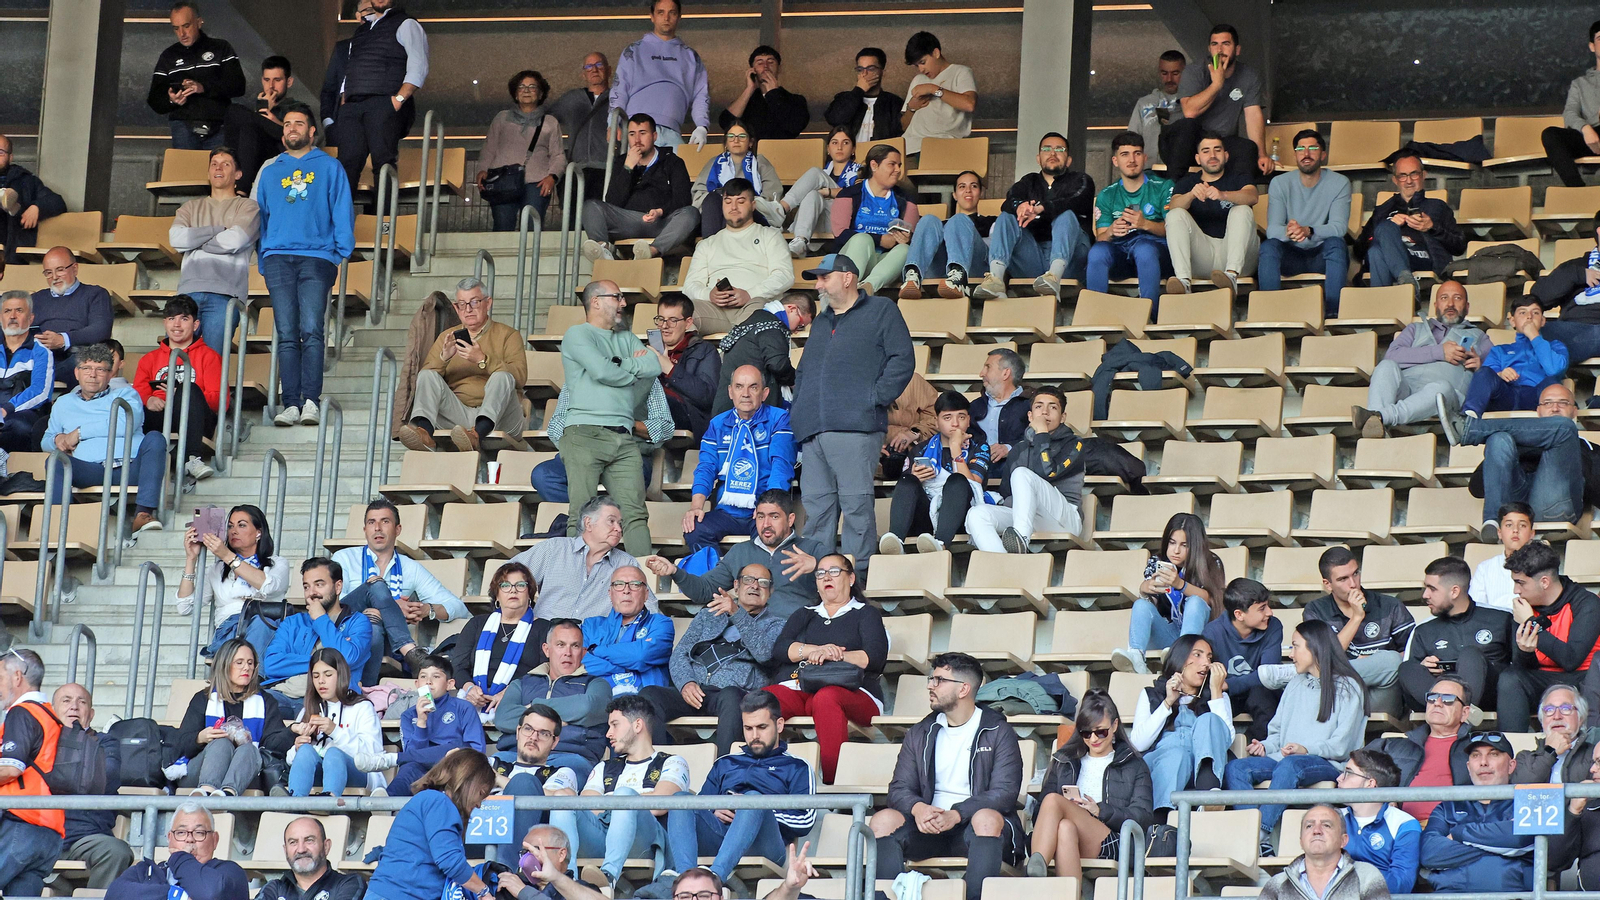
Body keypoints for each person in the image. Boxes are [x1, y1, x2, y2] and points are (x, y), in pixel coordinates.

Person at [791, 254, 914, 568]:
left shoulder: (881, 310)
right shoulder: (820, 320)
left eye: (824, 277)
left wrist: (872, 398)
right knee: (817, 510)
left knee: (856, 507)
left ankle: (858, 579)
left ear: (848, 277)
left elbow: (902, 360)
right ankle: (820, 580)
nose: (818, 285)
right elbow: (804, 371)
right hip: (813, 429)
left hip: (856, 427)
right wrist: (800, 413)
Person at [871, 653, 1023, 899]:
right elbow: (898, 789)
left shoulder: (998, 731)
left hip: (973, 828)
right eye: (931, 679)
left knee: (986, 819)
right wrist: (918, 808)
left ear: (963, 689)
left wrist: (957, 813)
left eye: (939, 680)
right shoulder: (920, 732)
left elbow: (1004, 793)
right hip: (928, 827)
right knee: (882, 820)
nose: (931, 685)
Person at [642, 691, 815, 896]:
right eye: (748, 728)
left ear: (779, 725)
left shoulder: (797, 766)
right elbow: (700, 808)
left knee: (752, 801)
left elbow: (805, 821)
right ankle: (686, 883)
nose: (754, 736)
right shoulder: (726, 762)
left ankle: (715, 880)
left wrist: (757, 808)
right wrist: (715, 809)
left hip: (767, 844)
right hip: (721, 837)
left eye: (762, 727)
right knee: (682, 800)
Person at [1224, 623, 1367, 857]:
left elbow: (1343, 746)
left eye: (1295, 646)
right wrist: (1265, 746)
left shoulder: (1349, 687)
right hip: (1286, 759)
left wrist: (1306, 748)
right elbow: (1277, 733)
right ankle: (1255, 838)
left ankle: (1259, 834)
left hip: (1327, 763)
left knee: (1291, 764)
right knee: (1236, 767)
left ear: (1316, 649)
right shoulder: (1295, 683)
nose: (1291, 654)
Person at [254, 102, 354, 428]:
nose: (292, 128)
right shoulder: (270, 171)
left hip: (317, 257)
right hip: (278, 257)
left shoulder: (330, 167)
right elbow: (261, 219)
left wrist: (340, 251)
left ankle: (311, 400)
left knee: (311, 330)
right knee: (285, 333)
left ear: (312, 131)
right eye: (287, 124)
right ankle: (291, 404)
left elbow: (342, 209)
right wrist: (263, 255)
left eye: (299, 123)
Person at [764, 553, 889, 783]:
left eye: (834, 571)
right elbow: (781, 649)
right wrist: (814, 650)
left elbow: (874, 658)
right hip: (805, 688)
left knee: (826, 698)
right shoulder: (805, 614)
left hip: (856, 692)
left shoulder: (866, 613)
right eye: (820, 573)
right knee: (763, 700)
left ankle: (835, 785)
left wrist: (836, 654)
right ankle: (758, 777)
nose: (825, 577)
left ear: (851, 578)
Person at [556, 281, 660, 555]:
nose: (623, 303)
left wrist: (617, 363)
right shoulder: (577, 334)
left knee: (635, 515)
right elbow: (604, 372)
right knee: (582, 517)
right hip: (584, 433)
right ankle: (574, 584)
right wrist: (629, 368)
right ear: (596, 301)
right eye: (617, 297)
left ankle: (642, 583)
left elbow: (653, 365)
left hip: (624, 439)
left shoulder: (625, 337)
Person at [639, 562, 786, 754]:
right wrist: (686, 683)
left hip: (736, 693)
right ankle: (660, 764)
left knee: (731, 696)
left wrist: (737, 613)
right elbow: (680, 654)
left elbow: (765, 654)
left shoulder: (776, 625)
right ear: (736, 585)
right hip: (695, 692)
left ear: (771, 591)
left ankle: (724, 769)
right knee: (649, 695)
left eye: (763, 582)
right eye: (748, 580)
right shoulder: (708, 616)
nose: (755, 586)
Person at [549, 696, 685, 887]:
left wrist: (616, 801)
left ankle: (608, 877)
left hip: (643, 842)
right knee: (562, 798)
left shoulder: (672, 762)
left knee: (625, 795)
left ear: (637, 725)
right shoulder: (604, 766)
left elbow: (659, 804)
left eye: (614, 725)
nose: (608, 734)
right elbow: (585, 806)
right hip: (601, 837)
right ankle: (566, 878)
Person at [331, 498, 470, 677]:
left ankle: (363, 693)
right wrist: (391, 607)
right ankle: (411, 652)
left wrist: (426, 609)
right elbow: (335, 606)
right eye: (371, 522)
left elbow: (459, 607)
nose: (378, 528)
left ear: (398, 529)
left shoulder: (410, 568)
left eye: (385, 522)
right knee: (376, 585)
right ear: (365, 530)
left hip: (385, 641)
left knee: (373, 623)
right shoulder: (344, 558)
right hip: (343, 632)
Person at [645, 488, 826, 624]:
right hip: (748, 633)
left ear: (791, 519)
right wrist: (675, 571)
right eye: (761, 517)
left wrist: (819, 569)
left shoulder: (812, 549)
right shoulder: (741, 551)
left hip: (797, 632)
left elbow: (846, 590)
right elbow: (703, 591)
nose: (766, 524)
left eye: (774, 517)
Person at [1026, 690, 1154, 880]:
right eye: (1086, 733)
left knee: (1053, 800)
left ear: (1115, 725)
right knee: (1065, 828)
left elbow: (1142, 816)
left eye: (1100, 731)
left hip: (1115, 840)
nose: (1093, 739)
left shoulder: (1134, 764)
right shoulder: (1064, 762)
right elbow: (1041, 816)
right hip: (1075, 837)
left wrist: (1100, 811)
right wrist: (1071, 809)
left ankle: (1035, 876)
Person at [43, 343, 167, 534]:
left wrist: (79, 433)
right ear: (77, 372)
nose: (93, 375)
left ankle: (143, 515)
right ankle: (58, 527)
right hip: (90, 469)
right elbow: (45, 440)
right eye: (87, 368)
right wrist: (57, 439)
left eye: (100, 369)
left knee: (156, 438)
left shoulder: (127, 394)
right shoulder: (63, 402)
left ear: (110, 374)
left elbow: (125, 424)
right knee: (54, 461)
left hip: (131, 467)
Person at [396, 277, 528, 452]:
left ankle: (476, 435)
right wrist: (444, 359)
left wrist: (483, 360)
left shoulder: (508, 335)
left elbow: (519, 377)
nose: (468, 309)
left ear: (488, 303)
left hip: (502, 418)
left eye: (474, 302)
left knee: (502, 376)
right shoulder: (447, 337)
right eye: (462, 304)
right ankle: (424, 433)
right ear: (456, 308)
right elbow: (426, 382)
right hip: (459, 416)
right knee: (427, 375)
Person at [1351, 280, 1487, 442]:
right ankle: (1377, 425)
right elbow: (1392, 356)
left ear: (1467, 306)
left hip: (1446, 398)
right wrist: (1439, 352)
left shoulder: (1479, 337)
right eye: (1444, 298)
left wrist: (1481, 367)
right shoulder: (1415, 328)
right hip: (1406, 391)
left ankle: (1378, 417)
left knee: (1440, 388)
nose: (1450, 303)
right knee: (1385, 366)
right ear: (1435, 305)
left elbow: (1496, 375)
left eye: (1457, 298)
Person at [682, 366, 794, 550]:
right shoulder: (718, 424)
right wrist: (696, 506)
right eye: (739, 386)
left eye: (753, 387)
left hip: (763, 508)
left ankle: (756, 578)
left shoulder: (779, 418)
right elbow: (706, 467)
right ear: (730, 391)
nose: (746, 394)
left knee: (772, 531)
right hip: (727, 512)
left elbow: (781, 466)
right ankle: (713, 578)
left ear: (764, 393)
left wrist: (766, 509)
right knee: (694, 529)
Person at [975, 134, 1097, 301]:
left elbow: (1076, 201)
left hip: (1071, 260)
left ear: (1068, 160)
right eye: (1046, 149)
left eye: (1059, 149)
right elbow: (1009, 201)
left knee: (1066, 215)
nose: (1052, 153)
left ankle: (1054, 277)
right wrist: (1021, 206)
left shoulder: (1080, 179)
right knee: (1006, 217)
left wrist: (1041, 208)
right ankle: (995, 279)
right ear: (1038, 158)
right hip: (1033, 255)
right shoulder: (1029, 181)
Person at [362, 748, 497, 900]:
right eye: (481, 794)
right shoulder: (440, 803)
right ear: (467, 782)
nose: (479, 804)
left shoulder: (431, 800)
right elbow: (450, 861)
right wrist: (484, 892)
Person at [965, 387, 1086, 554]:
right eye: (1038, 407)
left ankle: (1020, 539)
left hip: (1064, 519)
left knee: (1021, 474)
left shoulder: (1074, 443)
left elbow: (1047, 472)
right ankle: (1006, 565)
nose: (1045, 412)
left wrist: (1041, 434)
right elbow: (1007, 495)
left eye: (1053, 407)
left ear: (1063, 417)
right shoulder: (1019, 449)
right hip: (1028, 518)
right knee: (977, 514)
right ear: (1030, 416)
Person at [1465, 382, 1600, 528]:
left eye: (1563, 403)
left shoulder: (1588, 447)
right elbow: (1477, 487)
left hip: (1554, 509)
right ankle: (1492, 521)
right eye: (1548, 403)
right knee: (1499, 438)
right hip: (1513, 512)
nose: (1555, 408)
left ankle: (1472, 430)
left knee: (1565, 429)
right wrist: (1520, 451)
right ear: (1538, 410)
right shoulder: (1514, 443)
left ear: (1574, 411)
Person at [1497, 541, 1600, 732]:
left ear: (1544, 582)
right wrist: (1525, 652)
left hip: (1583, 680)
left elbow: (1571, 659)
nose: (1515, 590)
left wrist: (1531, 622)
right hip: (1545, 678)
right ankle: (1511, 749)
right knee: (1510, 678)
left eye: (1520, 583)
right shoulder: (1523, 607)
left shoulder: (1587, 603)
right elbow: (1522, 668)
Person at [493, 618, 614, 780]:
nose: (568, 652)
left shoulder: (596, 684)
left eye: (575, 646)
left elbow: (587, 708)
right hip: (514, 756)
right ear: (547, 649)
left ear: (583, 652)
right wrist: (563, 718)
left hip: (570, 757)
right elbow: (503, 718)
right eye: (560, 645)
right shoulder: (522, 683)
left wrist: (535, 707)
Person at [174, 637, 295, 796]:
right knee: (222, 743)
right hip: (199, 773)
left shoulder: (265, 701)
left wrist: (292, 730)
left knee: (249, 750)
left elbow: (273, 744)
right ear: (224, 665)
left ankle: (227, 796)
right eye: (239, 662)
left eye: (250, 663)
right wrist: (200, 737)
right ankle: (207, 793)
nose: (246, 668)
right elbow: (180, 745)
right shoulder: (203, 698)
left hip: (246, 773)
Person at [1128, 634, 1233, 813]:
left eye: (1209, 657)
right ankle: (1160, 824)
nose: (1206, 663)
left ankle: (1209, 796)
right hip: (1163, 763)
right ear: (1180, 658)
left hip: (1199, 767)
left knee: (1208, 720)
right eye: (1197, 655)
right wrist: (1168, 702)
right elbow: (1138, 743)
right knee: (1177, 755)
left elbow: (1226, 739)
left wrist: (1216, 691)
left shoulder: (1218, 696)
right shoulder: (1152, 694)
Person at [331, 0, 429, 190]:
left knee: (383, 164)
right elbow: (352, 67)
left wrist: (398, 100)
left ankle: (383, 219)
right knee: (347, 164)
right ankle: (342, 220)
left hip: (384, 103)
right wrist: (345, 97)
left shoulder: (406, 23)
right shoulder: (362, 30)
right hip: (353, 104)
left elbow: (419, 66)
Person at [170, 146, 260, 353]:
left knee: (212, 363)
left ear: (237, 174)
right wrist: (218, 230)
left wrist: (196, 238)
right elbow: (177, 239)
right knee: (178, 365)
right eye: (214, 164)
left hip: (226, 295)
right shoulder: (189, 207)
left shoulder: (248, 207)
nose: (218, 168)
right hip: (187, 293)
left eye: (225, 164)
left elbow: (235, 240)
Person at [1113, 512, 1225, 674]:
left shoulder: (1211, 562)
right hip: (1168, 634)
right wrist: (1145, 590)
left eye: (1184, 545)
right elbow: (1154, 607)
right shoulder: (1157, 562)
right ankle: (1136, 657)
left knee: (1195, 602)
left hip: (1200, 640)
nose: (1176, 551)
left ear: (1195, 546)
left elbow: (1212, 599)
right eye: (1172, 543)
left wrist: (1180, 584)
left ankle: (1182, 655)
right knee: (1141, 604)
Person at [513, 495, 658, 621]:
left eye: (620, 524)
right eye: (611, 521)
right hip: (544, 637)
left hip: (593, 645)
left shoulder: (626, 563)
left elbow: (650, 607)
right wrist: (526, 616)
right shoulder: (554, 548)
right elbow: (506, 577)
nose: (619, 529)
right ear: (588, 523)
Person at [1419, 731, 1532, 892]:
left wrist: (1460, 834)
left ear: (1511, 766)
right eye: (1476, 756)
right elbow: (1429, 853)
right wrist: (1498, 845)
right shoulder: (1448, 806)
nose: (1483, 762)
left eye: (1493, 754)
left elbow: (1520, 839)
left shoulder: (1527, 803)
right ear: (1468, 766)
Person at [879, 391, 989, 555]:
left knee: (957, 480)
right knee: (907, 480)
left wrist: (955, 448)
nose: (955, 423)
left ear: (968, 421)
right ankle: (895, 542)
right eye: (947, 418)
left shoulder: (979, 447)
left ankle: (941, 543)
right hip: (925, 517)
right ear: (936, 423)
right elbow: (909, 488)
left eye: (961, 417)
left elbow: (974, 484)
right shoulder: (920, 449)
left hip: (962, 517)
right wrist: (916, 477)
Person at [1159, 24, 1271, 181]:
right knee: (1188, 126)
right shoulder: (1194, 71)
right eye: (1215, 44)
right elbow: (1190, 111)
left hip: (1218, 144)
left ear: (1237, 50)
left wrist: (1262, 154)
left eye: (1226, 44)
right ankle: (1173, 194)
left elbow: (1253, 115)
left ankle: (1236, 199)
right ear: (1209, 49)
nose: (1219, 50)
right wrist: (1217, 84)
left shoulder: (1249, 76)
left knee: (1247, 148)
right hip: (1181, 144)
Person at [1400, 557, 1512, 713]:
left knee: (1470, 655)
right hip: (1437, 700)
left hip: (1487, 699)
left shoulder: (1501, 619)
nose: (1425, 595)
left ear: (1454, 591)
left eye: (1432, 589)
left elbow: (1519, 670)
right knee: (1407, 668)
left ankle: (1463, 714)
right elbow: (1412, 680)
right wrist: (1423, 667)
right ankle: (1451, 714)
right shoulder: (1423, 629)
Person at [1259, 128, 1352, 315]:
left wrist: (1308, 230)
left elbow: (1339, 228)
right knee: (1269, 246)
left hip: (1321, 255)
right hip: (1291, 255)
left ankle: (1334, 313)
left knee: (1336, 244)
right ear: (1295, 155)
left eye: (1312, 148)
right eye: (1300, 149)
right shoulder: (1280, 183)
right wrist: (1290, 232)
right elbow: (1273, 230)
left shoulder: (1340, 182)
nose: (1306, 154)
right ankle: (1269, 313)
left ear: (1323, 155)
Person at [684, 179, 794, 336]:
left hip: (754, 305)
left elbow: (785, 276)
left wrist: (750, 294)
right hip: (715, 309)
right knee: (680, 314)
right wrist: (709, 294)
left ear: (753, 205)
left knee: (760, 308)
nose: (733, 207)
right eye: (728, 202)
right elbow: (690, 286)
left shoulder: (770, 236)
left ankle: (730, 352)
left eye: (740, 201)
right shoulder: (707, 244)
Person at [444, 561, 550, 722]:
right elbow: (458, 666)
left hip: (519, 701)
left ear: (529, 593)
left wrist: (510, 692)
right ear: (497, 594)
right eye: (505, 585)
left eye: (520, 585)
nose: (513, 590)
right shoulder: (477, 624)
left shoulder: (544, 628)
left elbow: (545, 671)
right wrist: (470, 688)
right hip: (471, 699)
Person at [262, 558, 374, 709]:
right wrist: (325, 662)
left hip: (331, 700)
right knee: (250, 705)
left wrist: (321, 619)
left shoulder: (358, 622)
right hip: (284, 695)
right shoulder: (292, 622)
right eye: (306, 587)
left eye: (319, 585)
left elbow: (347, 659)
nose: (311, 593)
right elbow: (271, 664)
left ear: (338, 587)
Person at [367, 655, 487, 796]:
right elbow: (412, 755)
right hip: (423, 772)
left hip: (455, 768)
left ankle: (391, 759)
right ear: (417, 684)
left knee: (458, 746)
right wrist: (421, 722)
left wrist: (452, 754)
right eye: (423, 677)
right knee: (409, 766)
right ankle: (386, 802)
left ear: (450, 684)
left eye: (436, 677)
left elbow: (477, 750)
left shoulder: (463, 708)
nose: (429, 682)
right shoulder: (409, 715)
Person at [51, 683, 133, 889]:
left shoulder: (105, 742)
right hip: (41, 836)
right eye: (66, 700)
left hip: (86, 837)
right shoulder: (41, 741)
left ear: (91, 713)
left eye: (82, 702)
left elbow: (106, 775)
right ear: (52, 710)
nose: (74, 707)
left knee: (117, 851)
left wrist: (55, 772)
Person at [1162, 130, 1260, 296]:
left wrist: (1224, 195)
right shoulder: (1188, 182)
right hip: (1203, 255)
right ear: (1198, 158)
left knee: (1242, 209)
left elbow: (1253, 196)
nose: (1212, 155)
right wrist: (1191, 195)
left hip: (1238, 258)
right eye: (1206, 151)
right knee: (1175, 214)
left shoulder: (1239, 177)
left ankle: (1231, 276)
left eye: (1217, 150)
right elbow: (1173, 206)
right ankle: (1183, 281)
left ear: (1226, 155)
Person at [134, 294, 222, 479]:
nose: (177, 325)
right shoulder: (148, 359)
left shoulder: (209, 356)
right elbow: (136, 392)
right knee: (127, 406)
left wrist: (182, 394)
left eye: (184, 319)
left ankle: (192, 459)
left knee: (188, 389)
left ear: (195, 324)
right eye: (172, 319)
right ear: (165, 323)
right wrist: (148, 399)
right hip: (160, 416)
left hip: (197, 419)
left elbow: (219, 402)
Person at [1304, 546, 1415, 692]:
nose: (1353, 584)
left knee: (1393, 661)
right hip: (1338, 693)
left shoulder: (1390, 606)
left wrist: (1371, 662)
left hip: (1381, 691)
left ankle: (1306, 677)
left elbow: (1412, 654)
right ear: (1328, 584)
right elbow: (1325, 657)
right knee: (1318, 664)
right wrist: (1357, 618)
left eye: (1355, 573)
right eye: (1343, 579)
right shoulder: (1315, 611)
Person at [1365, 676, 1474, 822]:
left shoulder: (1477, 748)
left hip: (1452, 829)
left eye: (1448, 699)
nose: (1438, 703)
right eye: (1432, 697)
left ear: (1464, 713)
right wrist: (1385, 796)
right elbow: (1356, 768)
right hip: (1399, 827)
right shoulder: (1396, 745)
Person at [1357, 150, 1467, 290]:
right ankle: (1406, 283)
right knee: (1376, 250)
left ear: (1423, 175)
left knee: (1377, 251)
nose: (1409, 181)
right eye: (1402, 176)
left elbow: (1459, 246)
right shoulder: (1383, 210)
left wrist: (1432, 228)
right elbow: (1359, 249)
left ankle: (1385, 302)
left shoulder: (1437, 206)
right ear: (1395, 180)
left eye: (1414, 174)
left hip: (1424, 259)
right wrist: (1386, 230)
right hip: (1388, 258)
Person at [0, 648, 63, 894]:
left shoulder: (21, 712)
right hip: (49, 833)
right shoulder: (49, 714)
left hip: (21, 824)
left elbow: (10, 768)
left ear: (17, 677)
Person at [146, 1, 245, 150]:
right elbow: (154, 99)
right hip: (183, 127)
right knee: (186, 173)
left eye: (186, 26)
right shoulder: (168, 56)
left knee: (220, 172)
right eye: (176, 28)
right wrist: (172, 100)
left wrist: (203, 87)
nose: (182, 34)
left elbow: (238, 86)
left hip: (219, 125)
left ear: (199, 22)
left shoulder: (221, 48)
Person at [611, 0, 709, 150]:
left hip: (673, 133)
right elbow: (620, 89)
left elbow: (701, 94)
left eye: (672, 12)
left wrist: (702, 126)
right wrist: (612, 123)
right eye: (661, 12)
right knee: (637, 173)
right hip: (638, 129)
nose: (666, 18)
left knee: (682, 172)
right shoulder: (634, 51)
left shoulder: (690, 56)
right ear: (652, 16)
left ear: (679, 17)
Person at [1088, 131, 1173, 303]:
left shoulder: (1163, 186)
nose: (1132, 160)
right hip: (1121, 253)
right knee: (1097, 251)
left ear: (1145, 157)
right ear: (1115, 161)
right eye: (1124, 154)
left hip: (1156, 252)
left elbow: (1175, 230)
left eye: (1137, 153)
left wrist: (1145, 224)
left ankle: (1150, 317)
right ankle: (1094, 315)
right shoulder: (1106, 194)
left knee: (1144, 249)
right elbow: (1101, 237)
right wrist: (1111, 231)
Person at [286, 649, 384, 797]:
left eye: (328, 674)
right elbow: (290, 759)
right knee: (305, 751)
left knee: (334, 753)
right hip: (320, 774)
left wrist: (335, 731)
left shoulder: (362, 706)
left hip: (360, 774)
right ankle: (293, 803)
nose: (321, 681)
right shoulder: (309, 709)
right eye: (316, 676)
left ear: (341, 675)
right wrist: (297, 748)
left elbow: (373, 753)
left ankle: (329, 801)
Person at [478, 70, 567, 232]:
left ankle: (531, 259)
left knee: (533, 230)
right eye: (521, 87)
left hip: (537, 182)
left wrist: (552, 177)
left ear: (540, 94)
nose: (526, 90)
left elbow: (558, 155)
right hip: (502, 180)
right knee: (502, 230)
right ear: (515, 94)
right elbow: (489, 147)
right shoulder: (502, 118)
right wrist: (482, 170)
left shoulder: (550, 122)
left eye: (532, 87)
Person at [495, 707, 583, 869]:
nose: (533, 737)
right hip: (479, 835)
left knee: (525, 782)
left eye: (544, 733)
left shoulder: (561, 772)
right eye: (528, 729)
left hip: (530, 844)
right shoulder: (492, 763)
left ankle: (508, 872)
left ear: (554, 742)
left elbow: (556, 798)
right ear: (518, 732)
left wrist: (496, 779)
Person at [105, 801, 248, 900]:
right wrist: (175, 896)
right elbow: (114, 894)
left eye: (199, 832)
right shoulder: (144, 871)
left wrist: (180, 857)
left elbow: (211, 893)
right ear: (169, 838)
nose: (189, 839)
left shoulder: (230, 873)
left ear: (215, 840)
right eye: (181, 833)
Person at [827, 144, 919, 295]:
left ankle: (868, 287)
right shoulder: (849, 194)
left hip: (885, 263)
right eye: (892, 164)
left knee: (905, 250)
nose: (898, 170)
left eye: (899, 165)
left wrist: (906, 238)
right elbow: (840, 234)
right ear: (874, 165)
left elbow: (913, 235)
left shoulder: (906, 198)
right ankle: (846, 289)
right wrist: (878, 239)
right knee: (862, 239)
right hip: (853, 257)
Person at [1201, 578, 1283, 742]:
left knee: (1266, 694)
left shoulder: (1273, 626)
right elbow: (1212, 679)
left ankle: (1254, 747)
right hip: (1226, 694)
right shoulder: (1212, 632)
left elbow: (1268, 674)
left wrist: (1229, 684)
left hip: (1256, 690)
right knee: (1204, 698)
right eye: (1262, 608)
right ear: (1239, 614)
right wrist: (1224, 687)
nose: (1270, 612)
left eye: (1268, 605)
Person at [1254, 804, 1392, 900]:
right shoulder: (1277, 884)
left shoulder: (1367, 876)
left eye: (1326, 825)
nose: (1316, 830)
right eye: (1309, 826)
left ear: (1343, 840)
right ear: (1301, 841)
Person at [1461, 296, 1568, 418]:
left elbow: (1554, 370)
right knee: (1484, 372)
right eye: (1523, 312)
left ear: (1543, 321)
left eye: (1536, 313)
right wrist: (1500, 374)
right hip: (1507, 395)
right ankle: (1468, 418)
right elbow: (1487, 378)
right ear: (1512, 321)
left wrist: (1534, 336)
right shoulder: (1499, 350)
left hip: (1538, 397)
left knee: (1552, 382)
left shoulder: (1556, 346)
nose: (1529, 317)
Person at [711, 293, 813, 417]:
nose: (797, 331)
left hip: (728, 409)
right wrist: (797, 382)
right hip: (752, 413)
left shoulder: (754, 321)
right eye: (801, 325)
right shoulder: (771, 326)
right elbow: (778, 365)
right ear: (792, 309)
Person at [900, 170, 996, 300]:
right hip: (941, 270)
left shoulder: (991, 221)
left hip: (977, 268)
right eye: (962, 187)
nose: (968, 190)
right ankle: (913, 276)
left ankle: (959, 278)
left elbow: (996, 253)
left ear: (981, 193)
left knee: (958, 219)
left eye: (973, 186)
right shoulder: (941, 225)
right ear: (955, 195)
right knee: (928, 219)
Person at [1336, 750, 1421, 894]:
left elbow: (1401, 884)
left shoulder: (1404, 824)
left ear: (1370, 783)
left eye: (1348, 773)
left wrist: (1345, 875)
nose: (1338, 778)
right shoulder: (1333, 818)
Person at [582, 565, 673, 696]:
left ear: (646, 594)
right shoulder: (591, 625)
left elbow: (641, 656)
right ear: (610, 593)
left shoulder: (661, 623)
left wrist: (596, 650)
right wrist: (629, 663)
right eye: (619, 584)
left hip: (644, 703)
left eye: (635, 584)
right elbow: (583, 666)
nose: (626, 590)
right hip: (598, 701)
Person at [33, 247, 114, 381]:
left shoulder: (95, 294)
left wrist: (63, 339)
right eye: (48, 272)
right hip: (42, 357)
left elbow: (101, 330)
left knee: (81, 363)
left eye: (60, 270)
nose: (54, 277)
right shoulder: (36, 299)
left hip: (77, 356)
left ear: (75, 269)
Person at [692, 123, 785, 239]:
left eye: (741, 136)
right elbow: (698, 195)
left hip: (753, 216)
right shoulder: (714, 163)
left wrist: (739, 202)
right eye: (731, 136)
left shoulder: (760, 163)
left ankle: (716, 250)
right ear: (726, 142)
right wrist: (726, 202)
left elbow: (771, 197)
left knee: (733, 205)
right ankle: (712, 246)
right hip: (716, 215)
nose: (736, 140)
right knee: (714, 200)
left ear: (750, 142)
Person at [781, 128, 862, 259]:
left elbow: (859, 194)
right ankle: (800, 240)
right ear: (828, 149)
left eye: (845, 143)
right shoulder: (825, 172)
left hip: (845, 221)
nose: (840, 147)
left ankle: (780, 209)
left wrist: (829, 192)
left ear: (853, 149)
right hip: (820, 222)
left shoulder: (860, 172)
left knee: (815, 172)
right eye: (835, 143)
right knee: (813, 194)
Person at [648, 295, 721, 439]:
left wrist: (670, 369)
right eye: (661, 319)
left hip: (687, 415)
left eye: (673, 320)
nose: (664, 326)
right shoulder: (649, 351)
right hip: (652, 411)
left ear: (688, 323)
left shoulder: (704, 350)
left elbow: (707, 396)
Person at [1532, 210, 1600, 363]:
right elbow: (1537, 297)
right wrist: (1579, 275)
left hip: (1580, 339)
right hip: (1575, 329)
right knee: (1534, 333)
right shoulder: (1575, 266)